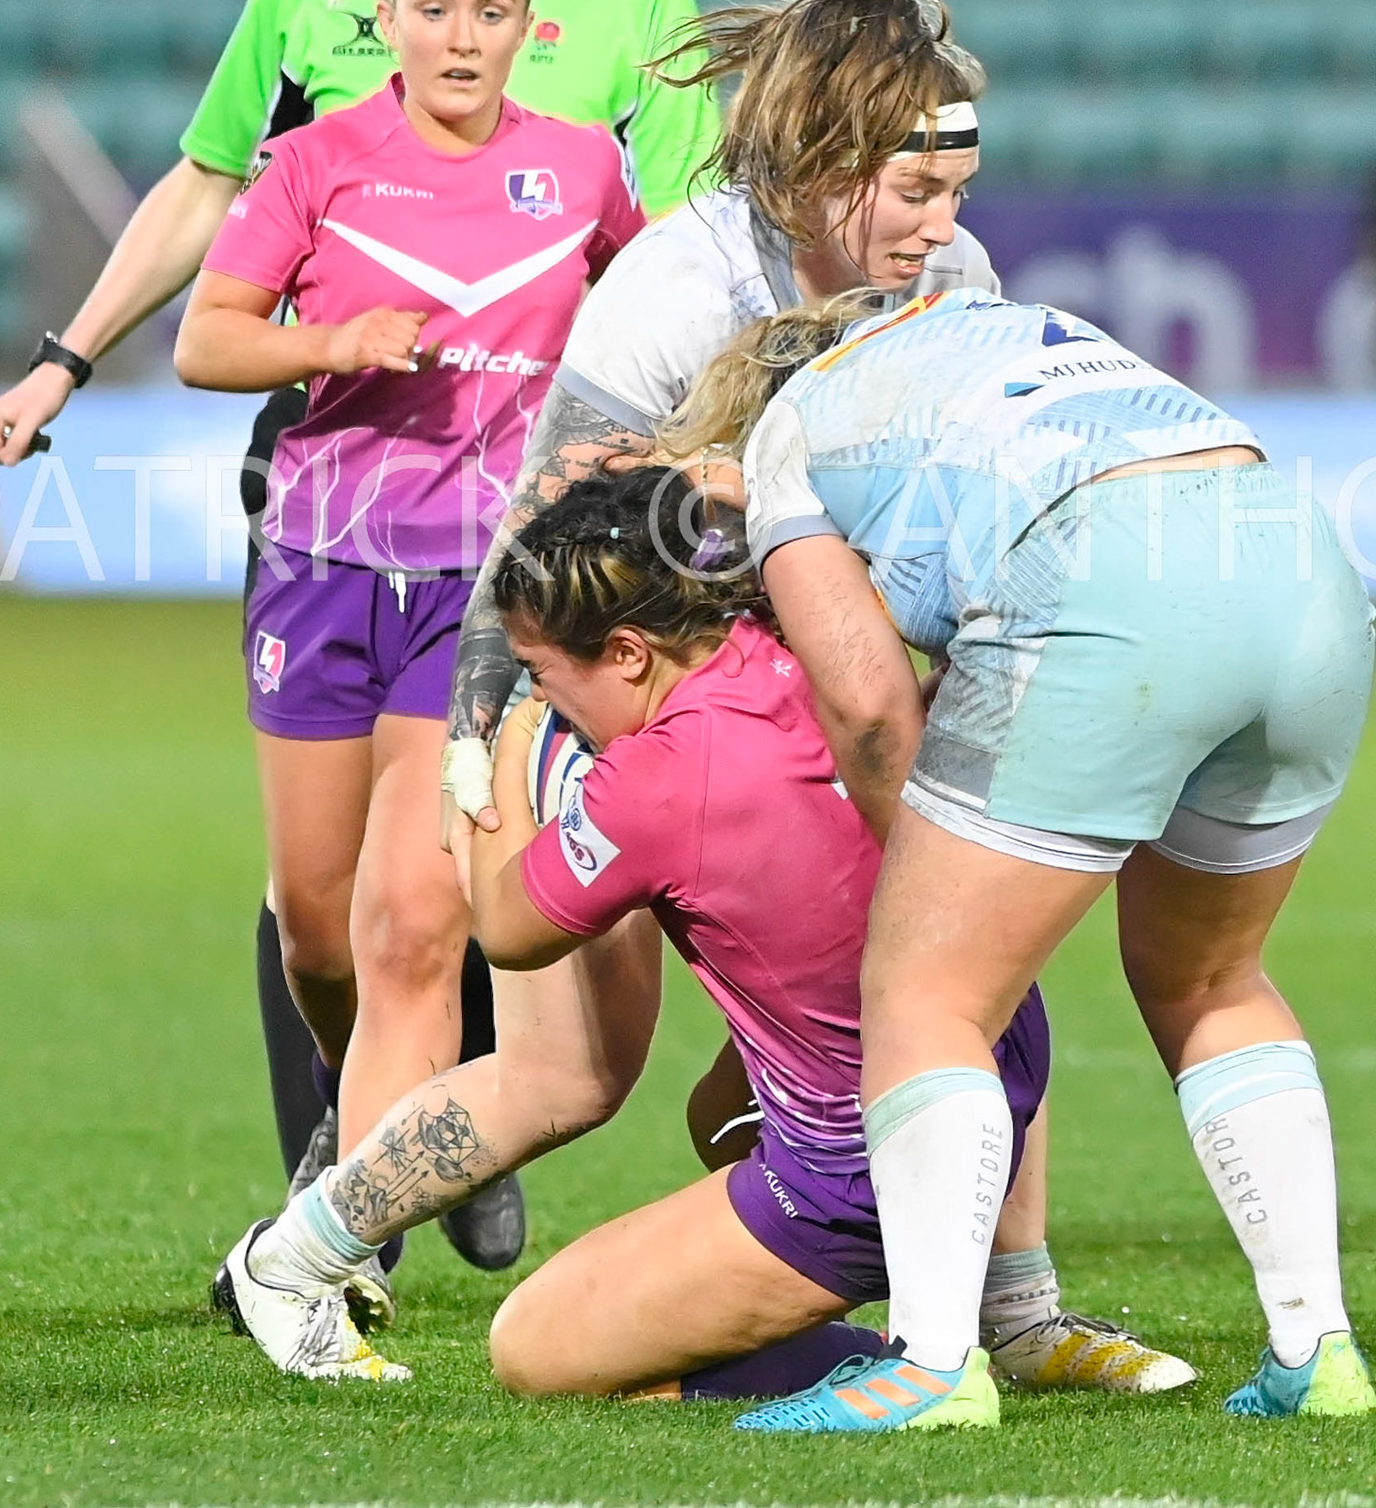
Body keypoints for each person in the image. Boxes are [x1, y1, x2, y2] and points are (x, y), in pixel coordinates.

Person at [0, 0, 719, 1263]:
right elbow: (208, 183)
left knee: (426, 882)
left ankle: (396, 1170)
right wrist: (69, 349)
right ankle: (397, 1111)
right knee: (318, 906)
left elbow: (675, 258)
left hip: (524, 509)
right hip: (324, 485)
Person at [432, 0, 1192, 1394]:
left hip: (829, 696)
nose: (944, 228)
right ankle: (313, 1252)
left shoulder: (946, 281)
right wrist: (476, 726)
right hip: (642, 696)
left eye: (954, 189)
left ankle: (997, 1320)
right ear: (823, 166)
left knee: (959, 962)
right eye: (914, 189)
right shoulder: (676, 284)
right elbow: (540, 524)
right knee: (573, 1064)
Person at [652, 284, 1376, 1430]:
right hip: (1301, 566)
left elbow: (872, 713)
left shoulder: (791, 430)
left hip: (1107, 576)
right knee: (1210, 977)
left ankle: (930, 1365)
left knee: (922, 992)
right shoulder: (1000, 327)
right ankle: (1316, 1349)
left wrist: (925, 881)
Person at [215, 465, 1054, 1406]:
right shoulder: (792, 634)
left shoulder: (658, 779)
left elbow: (506, 929)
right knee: (714, 1113)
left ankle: (908, 1356)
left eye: (543, 671)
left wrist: (507, 750)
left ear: (625, 653)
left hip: (854, 1173)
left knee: (535, 1343)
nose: (544, 692)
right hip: (995, 1067)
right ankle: (998, 1307)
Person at [174, 0, 643, 1319]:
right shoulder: (317, 160)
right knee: (316, 929)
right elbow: (206, 340)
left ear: (529, 24)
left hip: (482, 594)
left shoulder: (580, 170)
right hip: (318, 568)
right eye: (432, 8)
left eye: (490, 11)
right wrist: (334, 338)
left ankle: (338, 1261)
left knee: (405, 926)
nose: (461, 36)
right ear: (383, 18)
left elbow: (646, 320)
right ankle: (377, 1113)